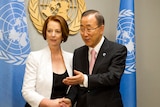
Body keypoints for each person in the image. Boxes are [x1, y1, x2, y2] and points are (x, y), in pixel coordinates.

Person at [63, 9, 127, 107]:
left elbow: (112, 77)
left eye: (89, 29)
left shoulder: (117, 50)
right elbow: (76, 84)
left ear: (101, 29)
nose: (85, 34)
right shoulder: (78, 53)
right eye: (82, 29)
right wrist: (70, 99)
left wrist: (85, 79)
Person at [22, 15, 72, 107]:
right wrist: (50, 104)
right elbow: (27, 91)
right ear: (45, 33)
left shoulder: (71, 58)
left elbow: (74, 88)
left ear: (63, 34)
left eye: (57, 31)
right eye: (49, 31)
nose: (53, 35)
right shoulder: (35, 57)